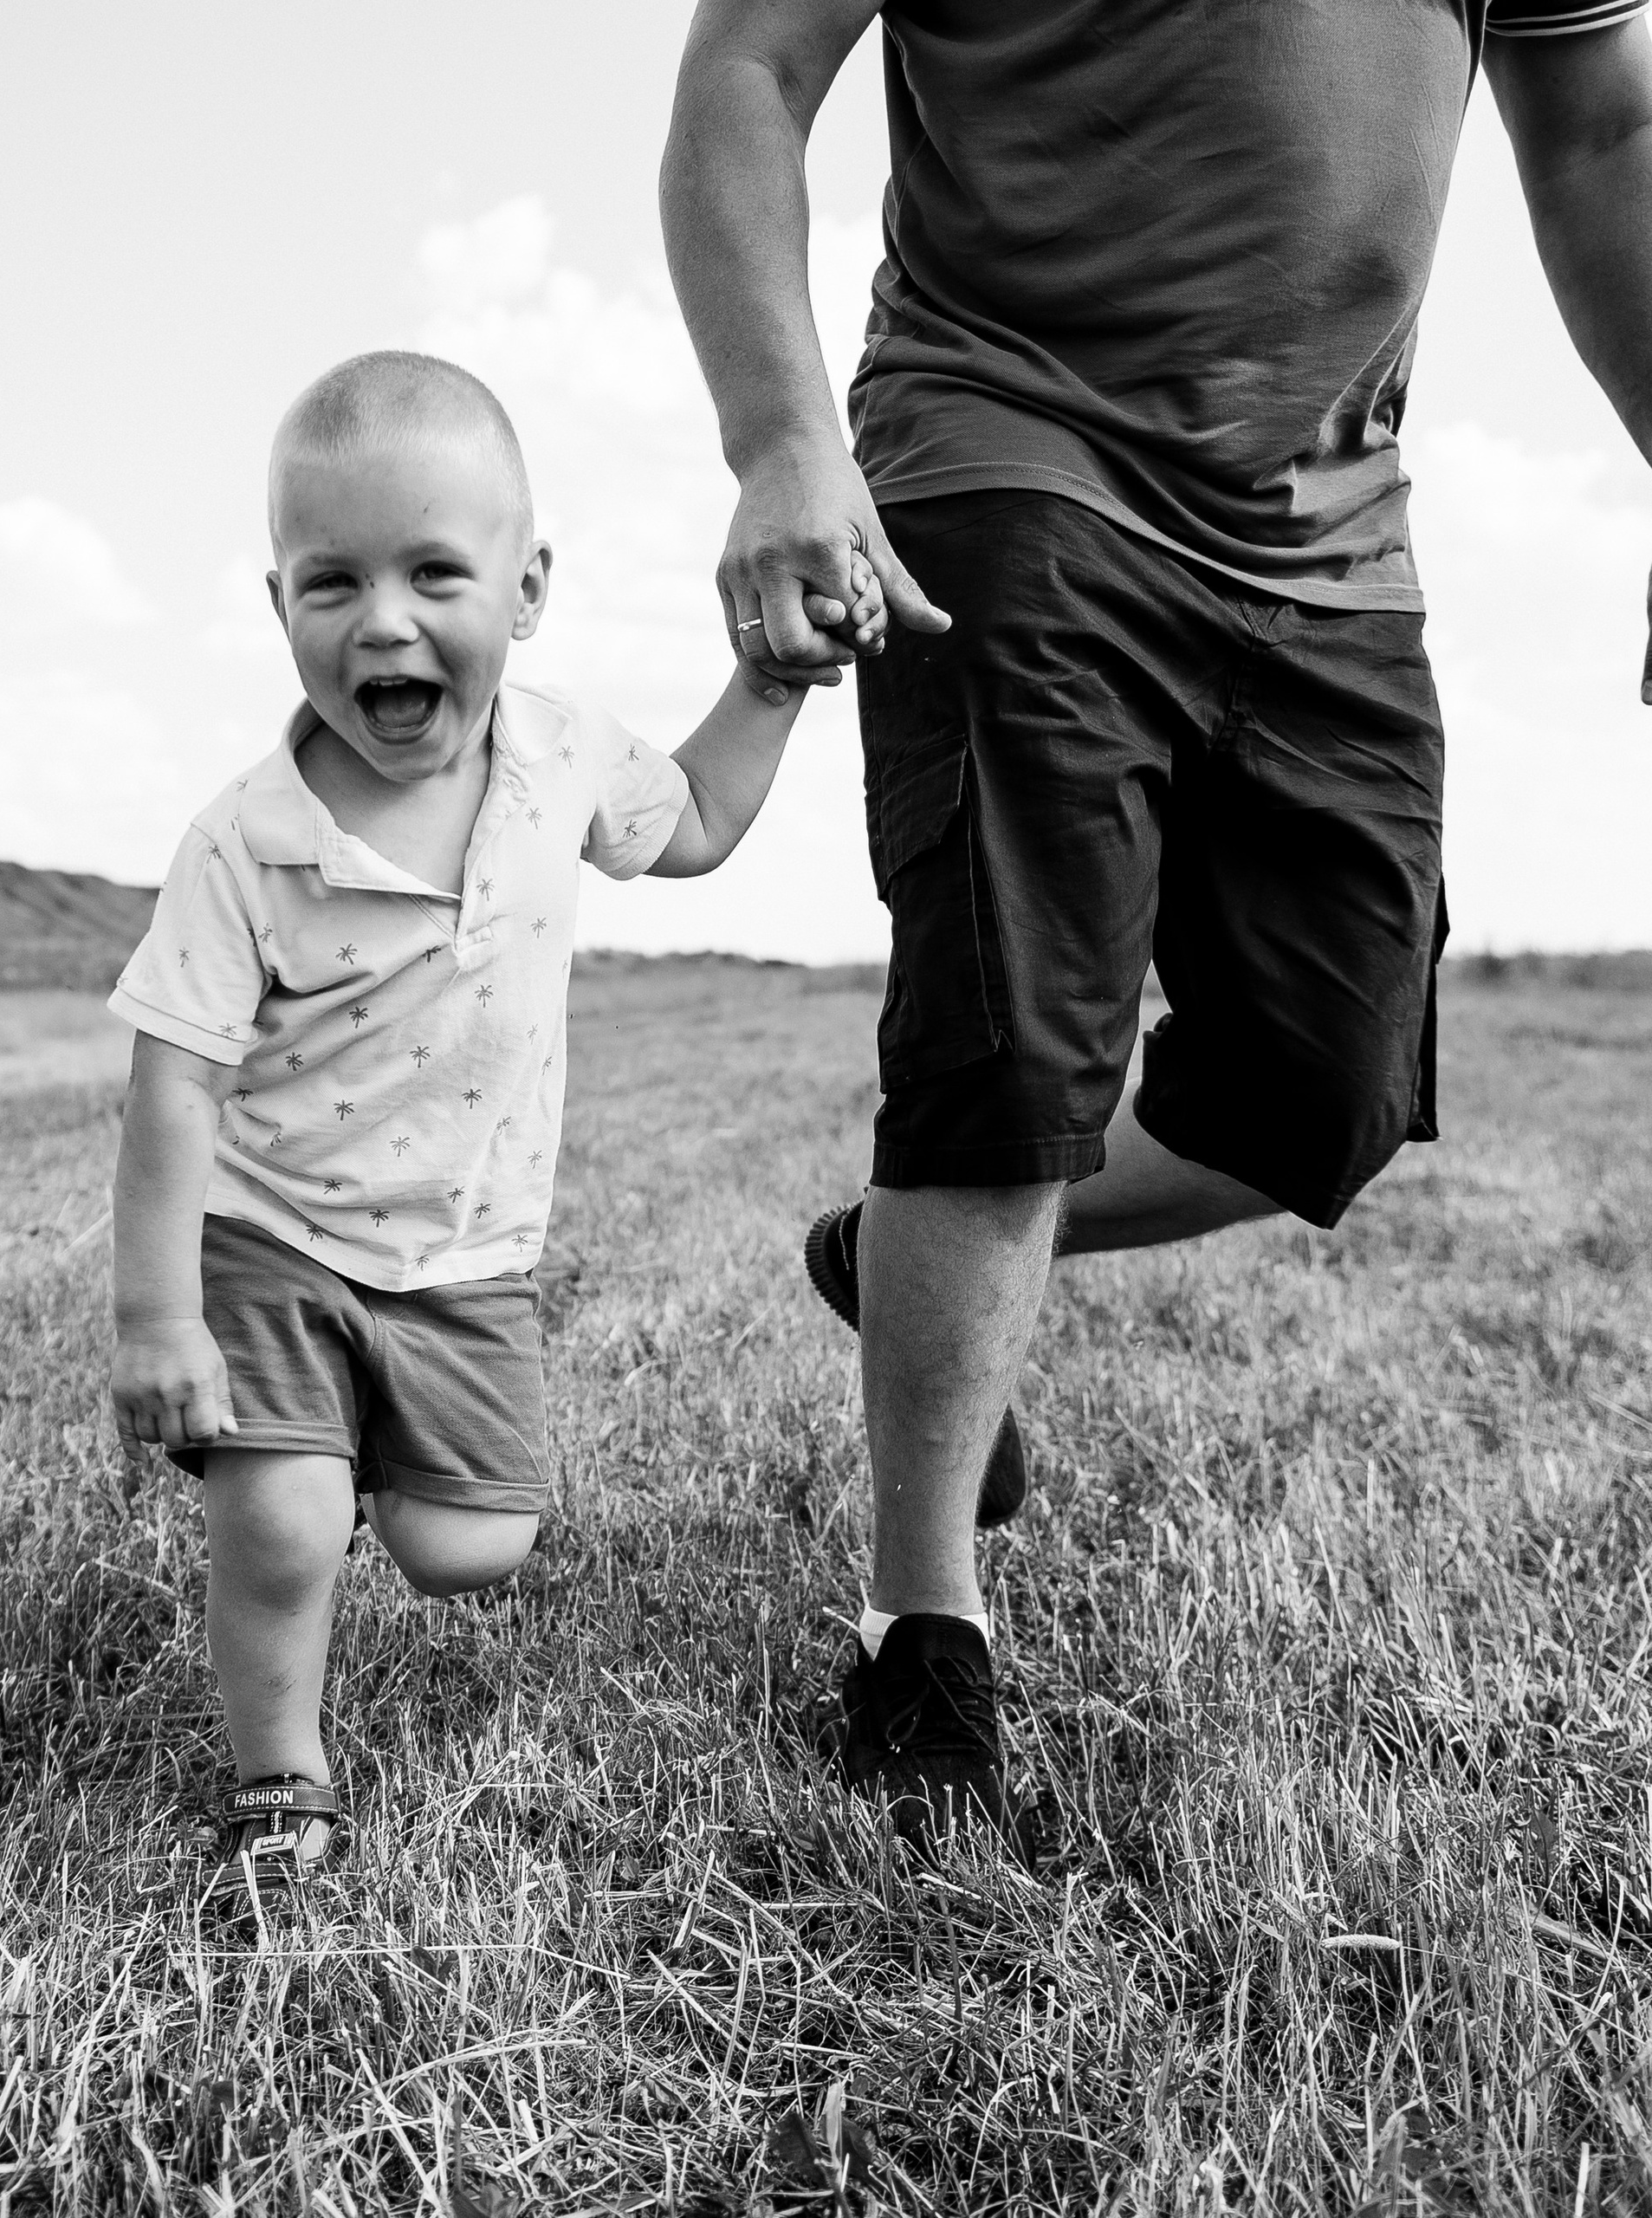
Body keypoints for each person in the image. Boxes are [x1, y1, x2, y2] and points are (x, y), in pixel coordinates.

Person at [660, 0, 1652, 1851]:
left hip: (1326, 535)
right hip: (996, 453)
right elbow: (745, 70)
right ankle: (919, 1622)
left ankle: (890, 1265)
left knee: (1323, 1086)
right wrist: (778, 437)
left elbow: (1598, 136)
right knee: (1012, 1049)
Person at [105, 351, 880, 1904]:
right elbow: (171, 1085)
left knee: (470, 1551)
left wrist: (778, 682)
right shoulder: (245, 842)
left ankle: (376, 1455)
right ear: (280, 609)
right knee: (288, 1522)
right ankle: (280, 1774)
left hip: (469, 1254)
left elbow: (704, 827)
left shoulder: (561, 757)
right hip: (272, 1230)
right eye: (332, 583)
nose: (382, 621)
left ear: (525, 591)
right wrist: (158, 1317)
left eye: (432, 574)